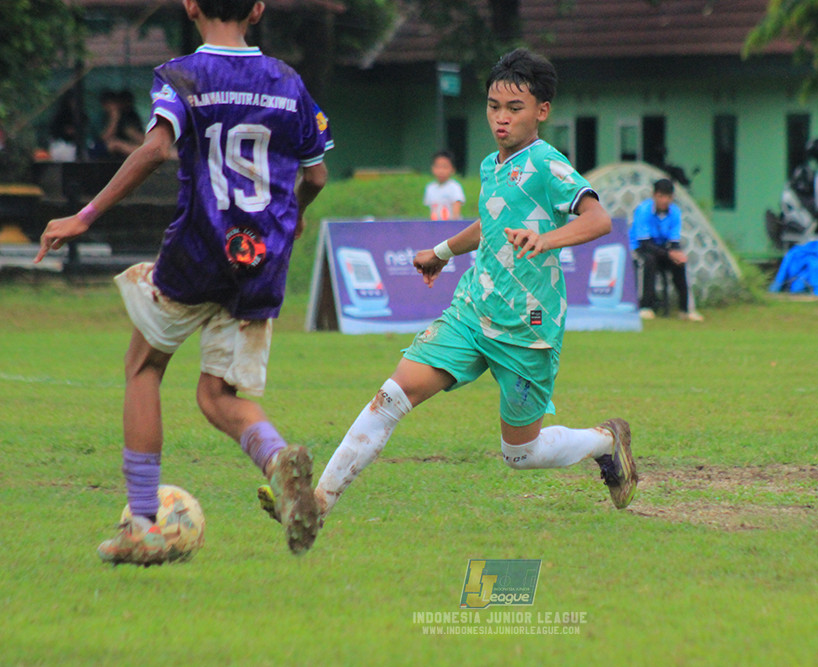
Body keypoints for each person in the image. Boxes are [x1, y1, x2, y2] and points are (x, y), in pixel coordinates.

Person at [258, 48, 638, 529]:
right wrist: (442, 251)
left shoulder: (549, 164)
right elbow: (492, 221)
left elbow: (598, 219)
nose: (501, 119)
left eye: (514, 109)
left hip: (527, 326)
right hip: (471, 312)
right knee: (392, 395)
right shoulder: (492, 164)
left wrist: (545, 239)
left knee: (521, 455)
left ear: (542, 111)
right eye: (494, 107)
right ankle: (316, 503)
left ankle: (606, 440)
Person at [34, 0, 333, 565]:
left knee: (144, 366)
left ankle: (143, 525)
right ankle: (276, 463)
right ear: (259, 9)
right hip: (261, 258)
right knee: (219, 395)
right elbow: (315, 173)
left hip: (200, 249)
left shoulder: (183, 75)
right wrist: (288, 220)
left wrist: (84, 216)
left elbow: (154, 149)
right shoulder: (288, 82)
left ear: (190, 5)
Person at [629, 178, 703, 321]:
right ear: (654, 195)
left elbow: (674, 241)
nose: (664, 200)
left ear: (672, 197)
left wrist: (677, 254)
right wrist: (669, 253)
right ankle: (645, 307)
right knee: (648, 261)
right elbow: (644, 243)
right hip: (640, 249)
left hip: (662, 250)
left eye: (668, 197)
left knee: (680, 262)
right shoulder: (643, 210)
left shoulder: (675, 212)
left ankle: (686, 310)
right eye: (661, 196)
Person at [97, 89, 146, 159]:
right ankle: (144, 153)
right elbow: (104, 138)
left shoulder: (131, 116)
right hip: (104, 149)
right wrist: (115, 117)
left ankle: (144, 153)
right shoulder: (101, 117)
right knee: (115, 144)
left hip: (130, 145)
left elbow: (135, 135)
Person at [422, 149, 465, 220]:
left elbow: (456, 210)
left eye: (445, 167)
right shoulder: (430, 187)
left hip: (451, 226)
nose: (441, 171)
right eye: (438, 167)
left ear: (452, 169)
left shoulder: (455, 187)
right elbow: (431, 210)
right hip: (436, 226)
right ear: (433, 169)